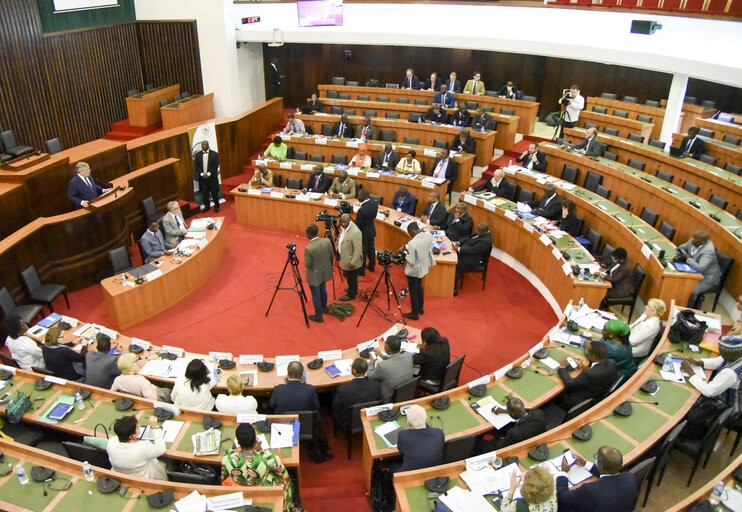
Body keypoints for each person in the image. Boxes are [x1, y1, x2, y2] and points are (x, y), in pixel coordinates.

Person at [221, 423, 303, 512]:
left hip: (238, 487)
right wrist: (260, 449)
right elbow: (282, 474)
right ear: (255, 440)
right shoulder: (267, 457)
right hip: (263, 486)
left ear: (238, 441)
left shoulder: (227, 457)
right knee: (287, 482)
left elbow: (224, 475)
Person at [681, 334, 742, 439]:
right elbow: (718, 361)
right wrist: (700, 362)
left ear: (728, 353)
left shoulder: (730, 373)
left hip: (729, 404)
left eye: (722, 351)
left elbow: (709, 391)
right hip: (724, 394)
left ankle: (689, 435)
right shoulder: (736, 356)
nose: (720, 351)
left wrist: (691, 373)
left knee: (689, 409)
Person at [557, 446, 637, 512]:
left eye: (597, 457)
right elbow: (609, 475)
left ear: (601, 466)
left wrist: (563, 472)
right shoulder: (630, 478)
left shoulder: (589, 490)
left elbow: (563, 497)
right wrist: (585, 464)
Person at [557, 340, 617, 410]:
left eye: (588, 351)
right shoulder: (612, 363)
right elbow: (597, 371)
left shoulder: (589, 374)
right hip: (600, 392)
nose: (587, 352)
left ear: (594, 357)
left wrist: (562, 367)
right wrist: (585, 368)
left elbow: (569, 384)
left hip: (578, 400)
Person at [107, 415, 166, 480]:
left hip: (122, 478)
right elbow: (161, 449)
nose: (140, 426)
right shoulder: (143, 447)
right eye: (137, 427)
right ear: (130, 436)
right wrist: (155, 428)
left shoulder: (111, 443)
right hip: (145, 480)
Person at [332, 358, 382, 428]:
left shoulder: (343, 389)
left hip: (348, 422)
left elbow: (336, 408)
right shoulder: (376, 385)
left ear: (354, 371)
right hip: (369, 417)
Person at [676, 230, 721, 308]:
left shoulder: (708, 251)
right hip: (693, 270)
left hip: (707, 277)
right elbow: (680, 248)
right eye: (693, 237)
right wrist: (686, 255)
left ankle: (690, 307)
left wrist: (689, 259)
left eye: (695, 238)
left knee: (690, 291)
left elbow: (700, 268)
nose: (692, 239)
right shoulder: (693, 241)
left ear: (702, 241)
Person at [394, 404, 444, 472]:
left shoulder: (403, 435)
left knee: (392, 465)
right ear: (426, 419)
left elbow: (401, 451)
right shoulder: (439, 433)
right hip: (434, 473)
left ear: (409, 423)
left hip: (409, 475)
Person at [403, 223, 435, 320]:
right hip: (424, 266)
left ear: (412, 232)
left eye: (410, 233)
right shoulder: (428, 236)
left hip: (415, 270)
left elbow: (412, 261)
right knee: (419, 288)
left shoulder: (412, 243)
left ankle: (414, 313)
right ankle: (420, 308)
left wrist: (406, 255)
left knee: (413, 291)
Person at [368, 335, 414, 402]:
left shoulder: (382, 366)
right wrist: (384, 357)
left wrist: (371, 361)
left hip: (389, 399)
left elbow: (370, 376)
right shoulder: (408, 356)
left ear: (387, 347)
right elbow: (395, 362)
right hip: (406, 394)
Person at [303, 224, 334, 322]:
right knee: (323, 290)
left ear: (308, 234)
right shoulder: (327, 241)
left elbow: (307, 265)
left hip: (314, 275)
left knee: (316, 295)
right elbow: (332, 255)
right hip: (325, 271)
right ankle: (324, 308)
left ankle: (319, 316)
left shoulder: (309, 248)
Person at [453, 222, 492, 296]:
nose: (476, 232)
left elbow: (472, 250)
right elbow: (469, 237)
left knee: (456, 263)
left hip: (473, 259)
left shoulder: (485, 241)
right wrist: (459, 242)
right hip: (467, 251)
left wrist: (459, 249)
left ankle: (454, 289)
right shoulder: (481, 233)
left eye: (478, 232)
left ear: (484, 232)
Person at [338, 214, 363, 302]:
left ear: (349, 221)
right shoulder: (345, 228)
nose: (342, 224)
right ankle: (352, 289)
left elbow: (358, 249)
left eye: (344, 222)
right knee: (349, 277)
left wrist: (353, 262)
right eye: (341, 222)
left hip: (352, 262)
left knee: (352, 278)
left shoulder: (356, 232)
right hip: (346, 259)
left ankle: (351, 295)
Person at [355, 189, 378, 276]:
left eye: (359, 196)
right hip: (371, 230)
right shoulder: (374, 203)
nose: (357, 197)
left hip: (363, 234)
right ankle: (372, 266)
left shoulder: (361, 211)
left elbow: (358, 225)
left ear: (364, 196)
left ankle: (361, 271)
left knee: (363, 252)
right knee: (371, 250)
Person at [193, 140, 220, 213]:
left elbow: (215, 166)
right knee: (204, 193)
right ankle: (206, 207)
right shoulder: (198, 155)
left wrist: (208, 174)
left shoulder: (214, 154)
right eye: (202, 145)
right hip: (202, 179)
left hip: (212, 178)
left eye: (204, 144)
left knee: (214, 193)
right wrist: (202, 174)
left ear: (208, 145)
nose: (203, 146)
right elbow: (197, 166)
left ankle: (216, 206)